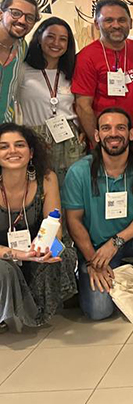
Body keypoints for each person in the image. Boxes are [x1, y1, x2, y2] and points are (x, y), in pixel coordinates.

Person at [63, 108, 133, 320]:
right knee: (99, 312)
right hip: (95, 250)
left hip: (129, 241)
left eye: (120, 128)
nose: (113, 133)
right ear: (97, 135)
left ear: (131, 134)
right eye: (106, 128)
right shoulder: (78, 172)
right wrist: (93, 261)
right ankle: (102, 277)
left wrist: (115, 242)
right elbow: (73, 221)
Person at [0, 123, 77, 332]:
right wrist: (21, 254)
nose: (12, 151)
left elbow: (54, 226)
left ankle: (38, 309)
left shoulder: (47, 178)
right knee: (4, 270)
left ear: (31, 152)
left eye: (19, 145)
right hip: (5, 256)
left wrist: (44, 249)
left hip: (34, 248)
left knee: (62, 252)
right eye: (4, 146)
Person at [73, 0, 133, 152]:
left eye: (122, 20)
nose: (116, 25)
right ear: (97, 24)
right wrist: (98, 144)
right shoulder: (86, 57)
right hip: (108, 143)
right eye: (109, 20)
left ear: (130, 23)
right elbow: (83, 106)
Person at [18, 17, 85, 186]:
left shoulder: (72, 71)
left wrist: (82, 129)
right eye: (50, 36)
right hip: (35, 137)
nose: (56, 43)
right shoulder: (22, 70)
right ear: (39, 38)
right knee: (38, 186)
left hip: (70, 138)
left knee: (72, 188)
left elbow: (81, 104)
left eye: (63, 39)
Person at [0, 0, 39, 124]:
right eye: (15, 13)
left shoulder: (22, 47)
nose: (22, 21)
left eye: (29, 18)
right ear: (1, 14)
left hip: (5, 127)